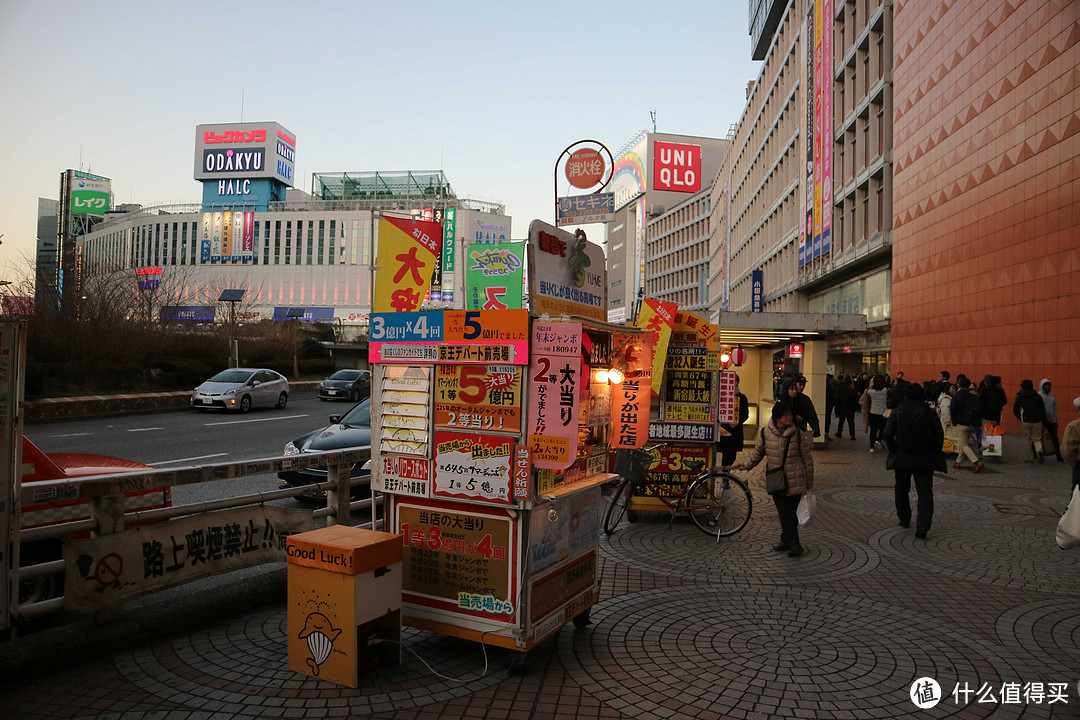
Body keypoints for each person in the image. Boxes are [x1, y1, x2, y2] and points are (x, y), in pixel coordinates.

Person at [733, 402, 814, 557]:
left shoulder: (797, 433)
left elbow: (807, 459)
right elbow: (758, 453)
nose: (789, 417)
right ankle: (786, 540)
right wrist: (746, 465)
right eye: (786, 415)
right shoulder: (765, 433)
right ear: (777, 417)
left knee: (789, 512)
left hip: (795, 479)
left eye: (790, 414)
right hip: (776, 479)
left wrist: (809, 481)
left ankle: (794, 543)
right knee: (783, 512)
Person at [884, 383, 945, 539]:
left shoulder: (897, 412)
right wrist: (935, 451)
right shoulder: (929, 413)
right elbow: (939, 435)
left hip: (902, 456)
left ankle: (904, 519)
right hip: (924, 457)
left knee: (901, 488)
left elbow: (887, 434)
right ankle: (923, 525)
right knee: (925, 492)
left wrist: (893, 450)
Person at [950, 376, 984, 472]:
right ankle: (958, 462)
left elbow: (953, 410)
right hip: (972, 423)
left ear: (959, 384)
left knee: (963, 444)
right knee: (964, 442)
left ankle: (976, 462)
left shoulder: (956, 395)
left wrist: (954, 422)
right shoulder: (973, 396)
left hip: (961, 423)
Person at [718, 374, 750, 467]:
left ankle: (726, 473)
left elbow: (745, 415)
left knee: (732, 455)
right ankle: (725, 477)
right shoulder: (723, 397)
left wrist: (738, 422)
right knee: (726, 454)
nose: (733, 383)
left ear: (737, 382)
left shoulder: (742, 397)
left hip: (736, 431)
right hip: (725, 430)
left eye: (735, 381)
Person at [1013, 379, 1047, 463]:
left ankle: (1030, 456)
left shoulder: (1020, 396)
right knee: (1037, 438)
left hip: (1026, 420)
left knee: (1027, 439)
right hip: (1038, 420)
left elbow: (1015, 409)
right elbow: (1043, 409)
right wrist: (1044, 421)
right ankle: (1039, 451)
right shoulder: (1037, 396)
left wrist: (1020, 418)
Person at [1039, 379, 1064, 463]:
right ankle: (1040, 454)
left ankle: (1058, 455)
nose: (1047, 387)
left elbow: (1055, 409)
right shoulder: (1038, 395)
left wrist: (1056, 420)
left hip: (1052, 420)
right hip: (1041, 420)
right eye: (1045, 385)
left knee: (1054, 438)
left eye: (1049, 385)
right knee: (1040, 438)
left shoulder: (1052, 396)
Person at [866, 376, 889, 452]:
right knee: (882, 428)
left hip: (873, 412)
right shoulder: (885, 390)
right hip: (883, 412)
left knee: (873, 429)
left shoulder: (871, 392)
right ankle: (879, 439)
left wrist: (871, 384)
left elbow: (868, 390)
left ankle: (871, 447)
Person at [1062, 396, 1080, 491]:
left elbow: (1067, 449)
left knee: (1076, 495)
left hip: (1079, 464)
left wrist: (1074, 463)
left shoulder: (1074, 426)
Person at [937, 383, 957, 453]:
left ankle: (948, 449)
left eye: (954, 388)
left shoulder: (947, 398)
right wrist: (947, 421)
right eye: (952, 388)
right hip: (947, 421)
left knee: (948, 436)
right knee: (949, 436)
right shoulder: (946, 399)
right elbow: (945, 410)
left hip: (946, 420)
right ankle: (948, 450)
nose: (954, 389)